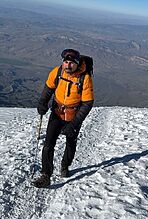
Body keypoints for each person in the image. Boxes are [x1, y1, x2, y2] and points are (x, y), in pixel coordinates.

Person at [33, 48, 94, 188]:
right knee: (48, 144)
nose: (68, 65)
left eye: (71, 63)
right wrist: (42, 102)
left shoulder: (85, 78)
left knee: (70, 143)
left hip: (74, 116)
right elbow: (49, 88)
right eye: (66, 62)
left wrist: (73, 124)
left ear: (77, 64)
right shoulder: (57, 72)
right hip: (57, 113)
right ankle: (45, 175)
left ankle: (65, 166)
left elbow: (87, 103)